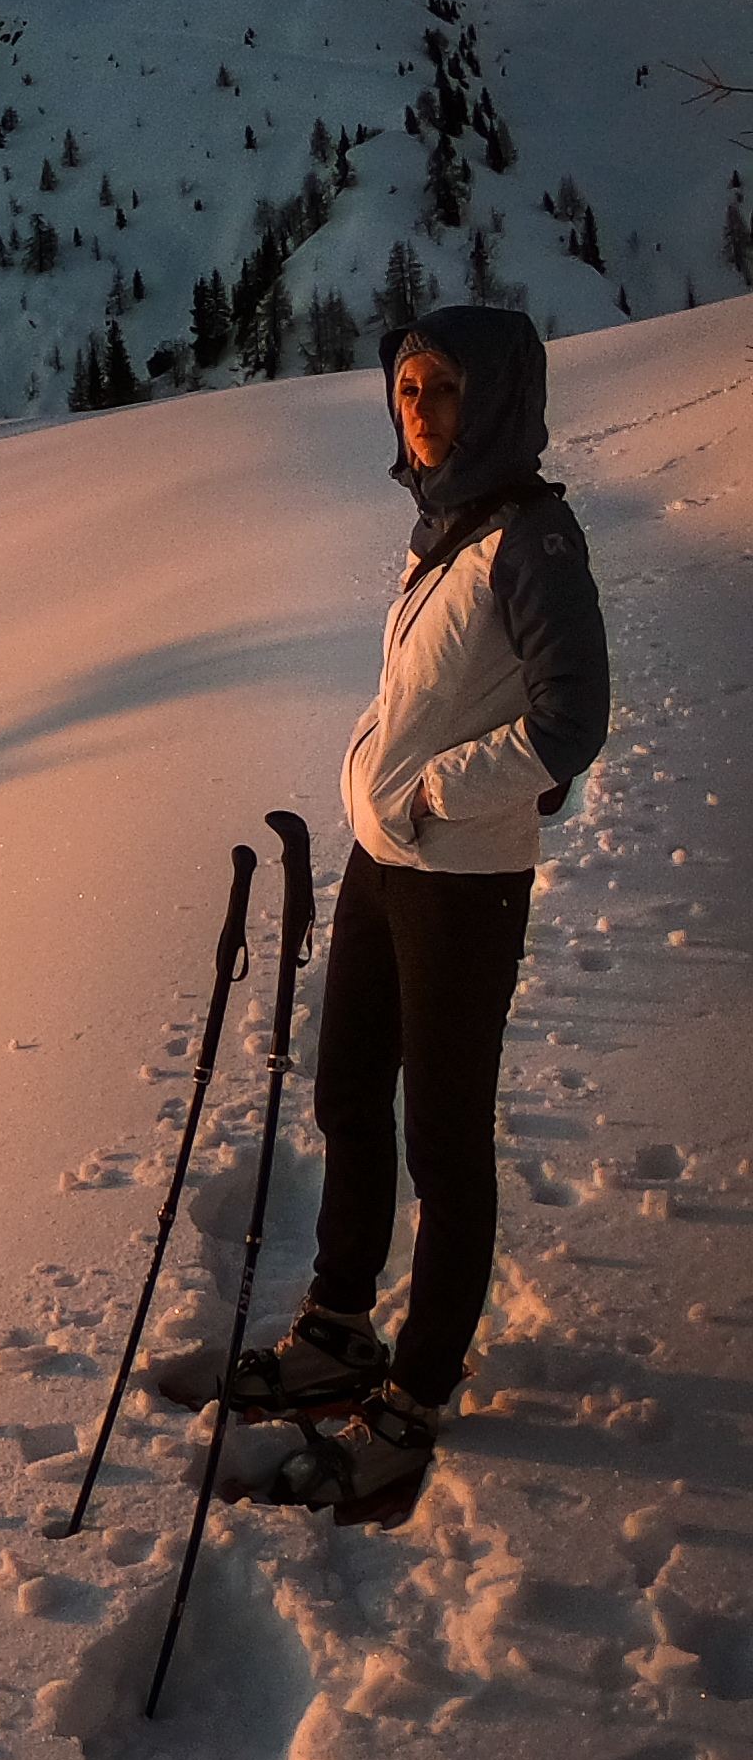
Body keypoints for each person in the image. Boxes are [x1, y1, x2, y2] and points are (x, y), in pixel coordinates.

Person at [228, 308, 609, 1522]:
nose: (419, 409)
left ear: (493, 397)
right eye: (403, 389)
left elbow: (569, 720)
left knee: (442, 1141)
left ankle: (417, 1390)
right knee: (347, 1096)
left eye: (441, 388)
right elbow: (421, 697)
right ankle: (340, 1326)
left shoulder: (531, 540)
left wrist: (439, 792)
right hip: (386, 859)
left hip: (462, 879)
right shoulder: (442, 531)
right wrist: (379, 772)